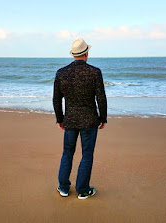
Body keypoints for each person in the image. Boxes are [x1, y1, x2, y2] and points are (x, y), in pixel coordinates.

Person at [53, 38, 107, 200]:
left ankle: (63, 188)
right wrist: (103, 118)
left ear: (73, 54)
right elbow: (101, 98)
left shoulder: (62, 73)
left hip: (70, 119)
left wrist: (59, 119)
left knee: (67, 153)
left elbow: (56, 99)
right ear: (86, 53)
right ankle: (82, 190)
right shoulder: (94, 72)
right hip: (89, 120)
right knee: (87, 155)